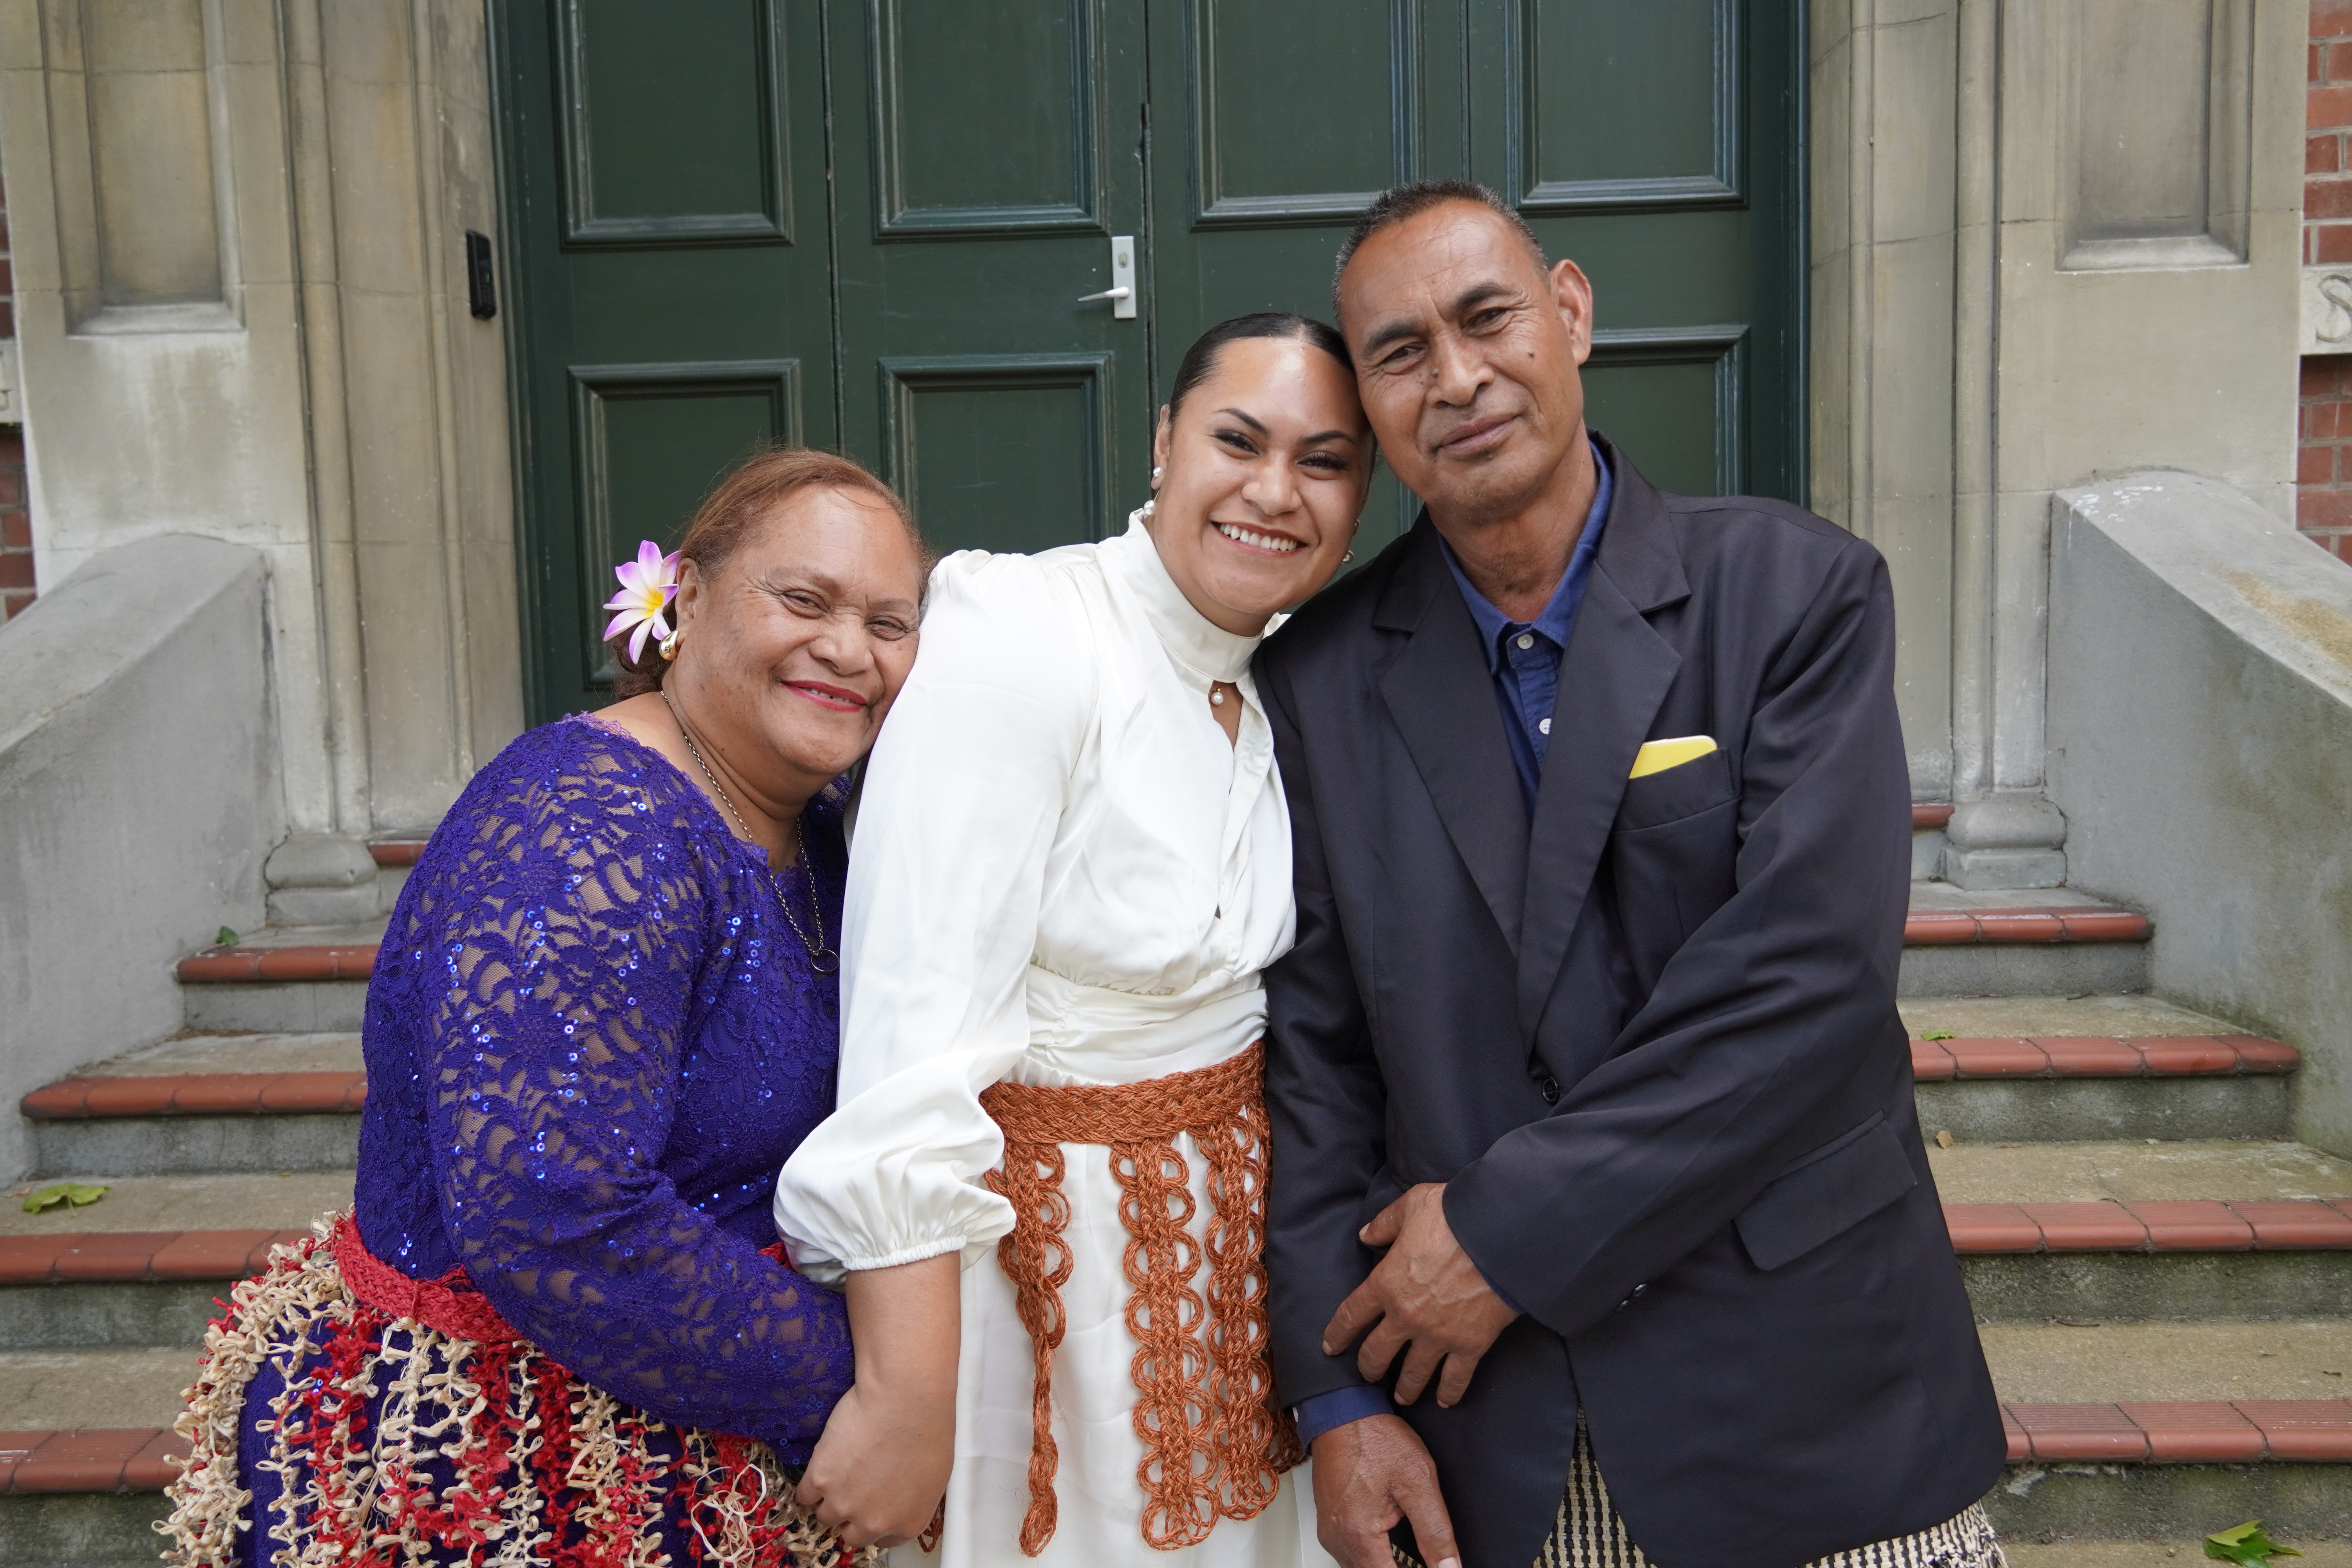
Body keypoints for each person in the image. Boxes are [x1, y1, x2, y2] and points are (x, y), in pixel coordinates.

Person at [1255, 181, 2008, 1568]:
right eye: (1402, 351)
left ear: (1573, 313)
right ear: (1366, 400)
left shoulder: (1797, 595)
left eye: (1489, 318)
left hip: (1806, 1394)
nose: (1461, 377)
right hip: (1501, 1434)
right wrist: (1338, 1395)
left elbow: (1804, 983)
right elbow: (1313, 1062)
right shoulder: (1314, 681)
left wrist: (1498, 1232)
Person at [161, 447, 929, 1568]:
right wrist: (877, 1389)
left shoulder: (827, 817)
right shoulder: (590, 828)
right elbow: (555, 1210)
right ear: (691, 599)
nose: (849, 649)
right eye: (804, 600)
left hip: (715, 1443)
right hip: (514, 1467)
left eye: (890, 621)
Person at [772, 315, 1374, 1567]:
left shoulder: (1290, 674)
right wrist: (907, 1394)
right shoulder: (1029, 631)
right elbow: (912, 1027)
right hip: (1049, 1285)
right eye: (1238, 439)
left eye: (1324, 460)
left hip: (1243, 1286)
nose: (1275, 490)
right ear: (1164, 442)